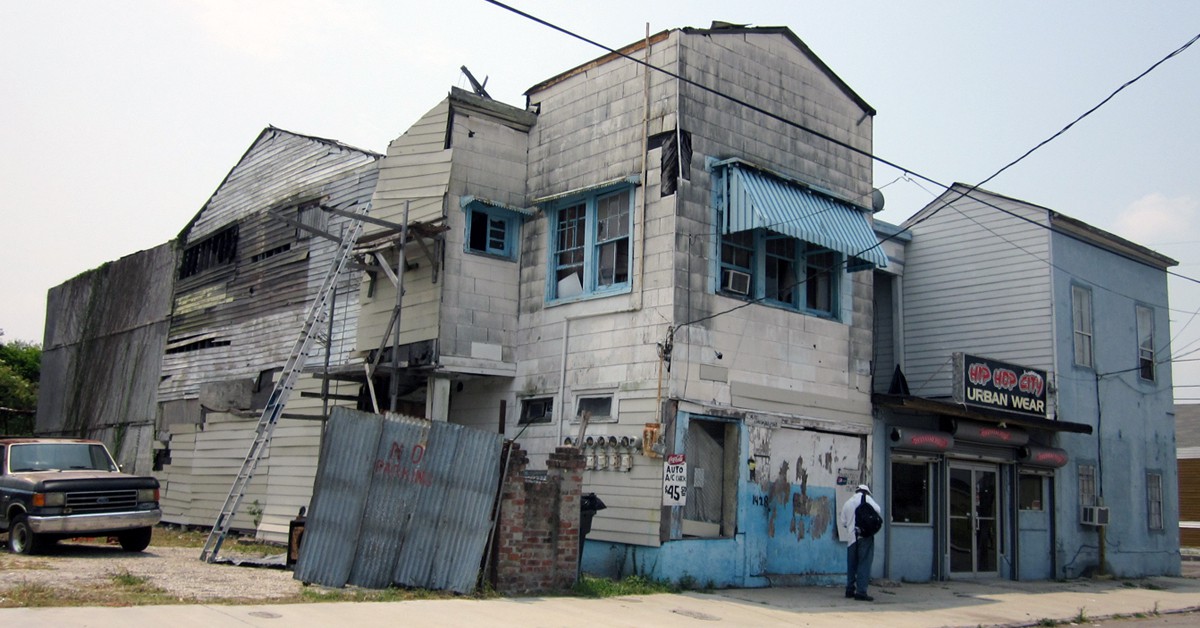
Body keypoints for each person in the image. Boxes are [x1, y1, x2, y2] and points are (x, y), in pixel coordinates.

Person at [840, 484, 882, 601]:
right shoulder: (867, 499)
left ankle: (849, 589)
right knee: (864, 563)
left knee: (851, 564)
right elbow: (878, 510)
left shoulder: (848, 502)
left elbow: (843, 521)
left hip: (851, 538)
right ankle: (861, 591)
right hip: (865, 536)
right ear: (866, 492)